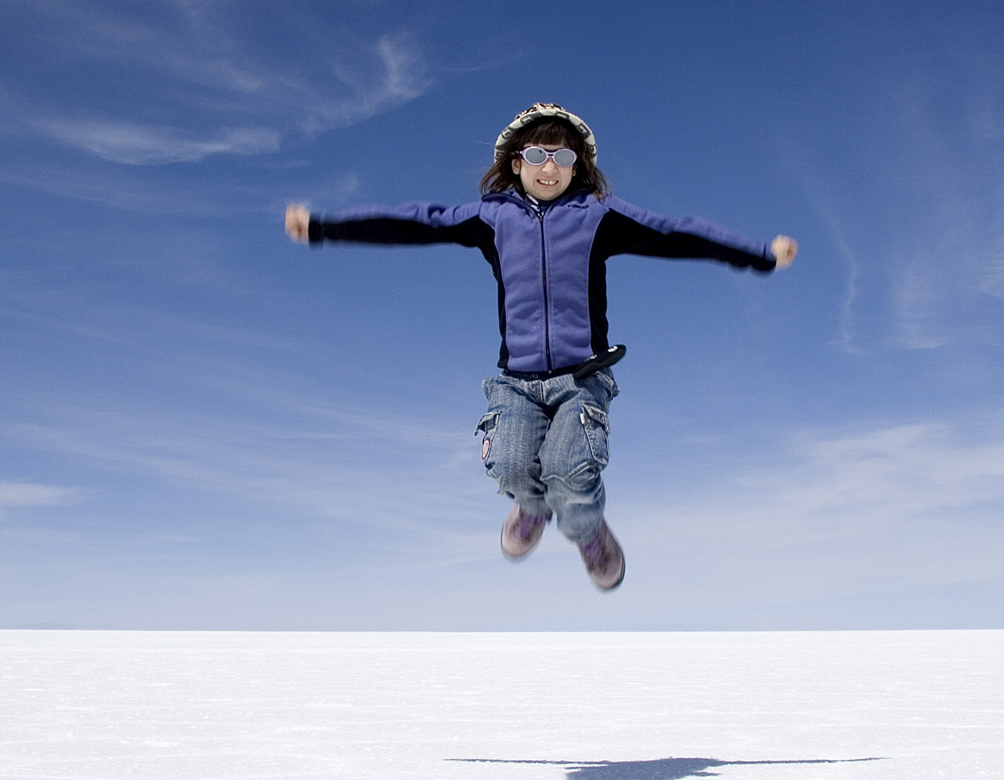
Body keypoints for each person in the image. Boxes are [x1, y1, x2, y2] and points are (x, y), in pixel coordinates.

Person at [284, 103, 796, 591]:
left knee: (569, 474)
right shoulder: (491, 219)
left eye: (563, 157)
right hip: (517, 383)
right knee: (509, 466)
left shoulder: (598, 215)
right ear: (515, 163)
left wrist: (758, 255)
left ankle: (587, 532)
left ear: (580, 167)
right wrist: (325, 226)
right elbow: (417, 222)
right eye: (536, 155)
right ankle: (531, 508)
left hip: (583, 378)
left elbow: (677, 233)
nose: (549, 167)